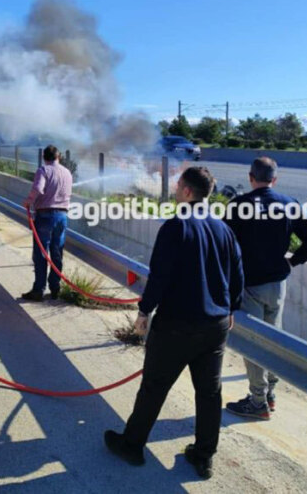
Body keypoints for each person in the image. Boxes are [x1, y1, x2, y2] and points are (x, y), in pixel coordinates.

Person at [104, 167, 243, 480]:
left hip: (178, 324)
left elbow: (160, 276)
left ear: (187, 191)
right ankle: (204, 456)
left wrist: (144, 311)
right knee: (209, 394)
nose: (176, 187)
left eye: (179, 184)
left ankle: (132, 445)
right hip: (216, 325)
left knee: (154, 386)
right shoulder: (223, 229)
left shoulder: (175, 226)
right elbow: (237, 273)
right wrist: (231, 308)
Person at [224, 156, 307, 419]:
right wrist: (294, 261)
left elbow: (223, 246)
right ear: (274, 179)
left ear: (250, 177)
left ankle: (257, 402)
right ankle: (269, 394)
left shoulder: (238, 206)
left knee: (253, 343)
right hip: (278, 284)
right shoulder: (289, 204)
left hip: (249, 285)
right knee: (273, 339)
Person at [22, 145, 73, 302]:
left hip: (45, 215)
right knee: (57, 253)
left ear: (44, 157)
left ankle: (38, 290)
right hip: (62, 216)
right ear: (58, 157)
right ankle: (55, 288)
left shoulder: (43, 170)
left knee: (41, 254)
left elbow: (38, 188)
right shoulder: (67, 172)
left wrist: (28, 202)